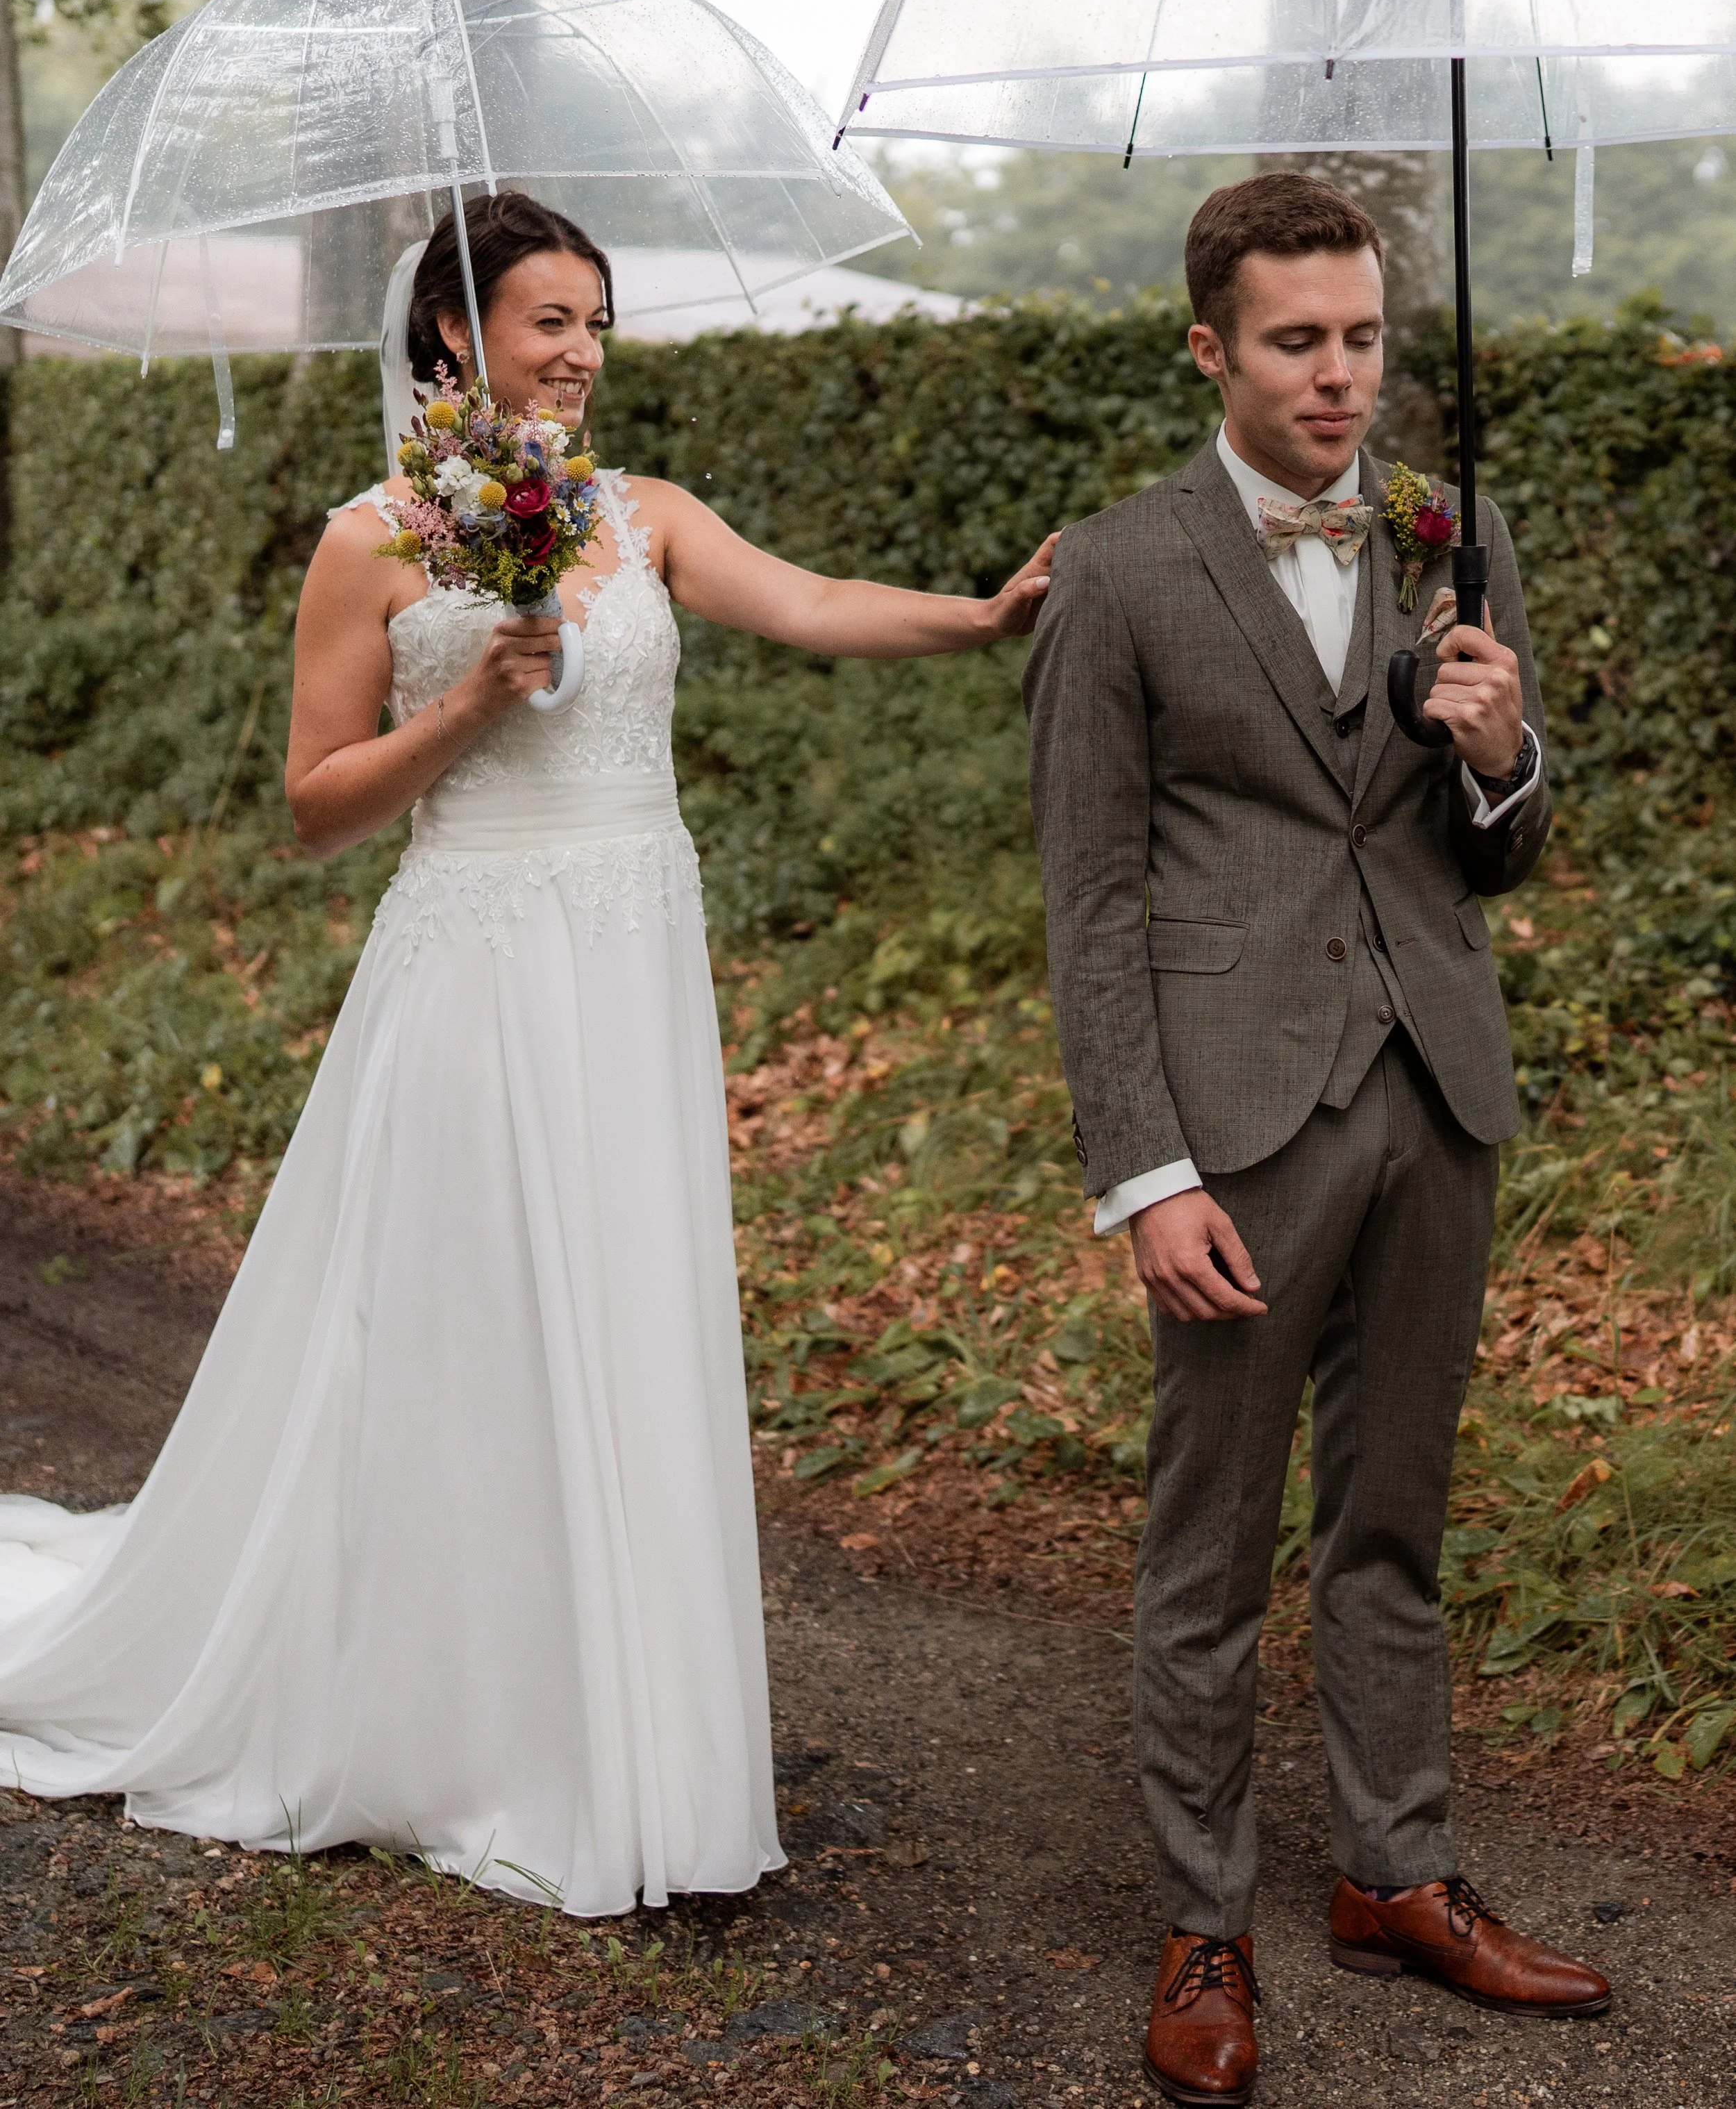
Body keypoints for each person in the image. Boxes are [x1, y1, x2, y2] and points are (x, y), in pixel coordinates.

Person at [0, 190, 1057, 1919]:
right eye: (550, 320)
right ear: (451, 333)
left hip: (631, 959)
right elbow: (314, 807)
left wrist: (978, 616)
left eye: (596, 325)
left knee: (624, 1308)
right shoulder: (376, 542)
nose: (578, 354)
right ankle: (456, 1722)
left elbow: (805, 605)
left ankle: (624, 1719)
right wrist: (470, 706)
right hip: (475, 964)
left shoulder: (640, 517)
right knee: (473, 1320)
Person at [1022, 174, 1608, 2107]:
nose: (1339, 373)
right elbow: (1091, 901)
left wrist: (1499, 742)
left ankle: (1394, 1870)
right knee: (1208, 1539)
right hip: (1236, 1114)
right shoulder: (1113, 567)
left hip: (1433, 1084)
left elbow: (1494, 854)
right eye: (1295, 340)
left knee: (1393, 1517)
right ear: (1210, 345)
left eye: (1360, 335)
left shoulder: (1459, 532)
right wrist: (1147, 1169)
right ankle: (1206, 1916)